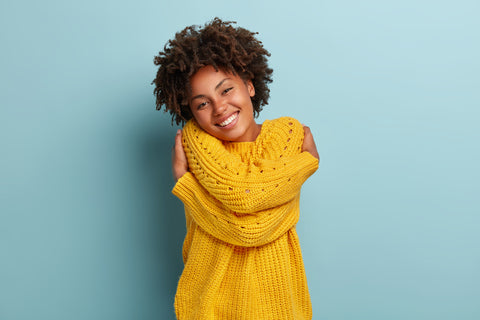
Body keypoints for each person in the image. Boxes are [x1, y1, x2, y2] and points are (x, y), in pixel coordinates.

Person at [153, 17, 319, 320]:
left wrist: (188, 187)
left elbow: (249, 212)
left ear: (250, 85)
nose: (219, 108)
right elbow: (246, 202)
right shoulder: (197, 141)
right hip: (209, 304)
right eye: (202, 103)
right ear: (191, 112)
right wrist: (306, 164)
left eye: (226, 90)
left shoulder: (287, 133)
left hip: (279, 304)